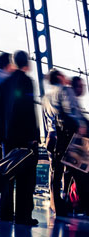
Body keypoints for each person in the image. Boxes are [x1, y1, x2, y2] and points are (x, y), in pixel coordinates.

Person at [0, 50, 40, 226]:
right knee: (26, 177)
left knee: (7, 173)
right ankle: (23, 215)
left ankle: (5, 212)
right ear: (26, 62)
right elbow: (29, 109)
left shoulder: (4, 83)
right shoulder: (27, 81)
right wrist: (34, 136)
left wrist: (0, 135)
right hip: (24, 136)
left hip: (7, 136)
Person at [42, 70, 87, 216]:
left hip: (51, 137)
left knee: (55, 173)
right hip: (66, 136)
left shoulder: (46, 97)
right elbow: (71, 110)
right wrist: (82, 124)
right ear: (59, 77)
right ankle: (83, 205)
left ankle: (56, 206)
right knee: (78, 171)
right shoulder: (65, 91)